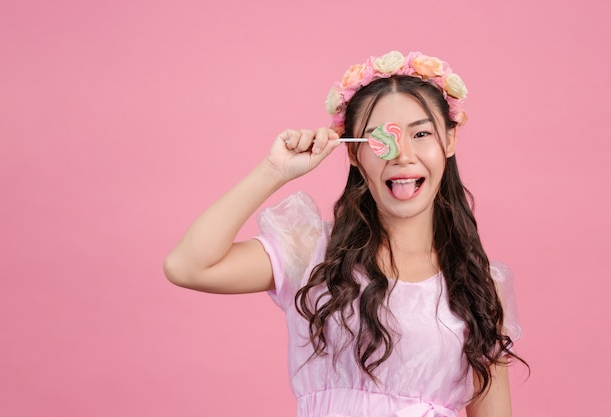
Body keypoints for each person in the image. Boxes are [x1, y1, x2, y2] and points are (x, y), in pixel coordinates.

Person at [164, 50, 525, 417]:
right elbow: (188, 266)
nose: (402, 156)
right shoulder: (313, 254)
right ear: (353, 153)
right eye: (381, 139)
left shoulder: (479, 288)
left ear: (449, 141)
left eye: (421, 133)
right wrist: (274, 169)